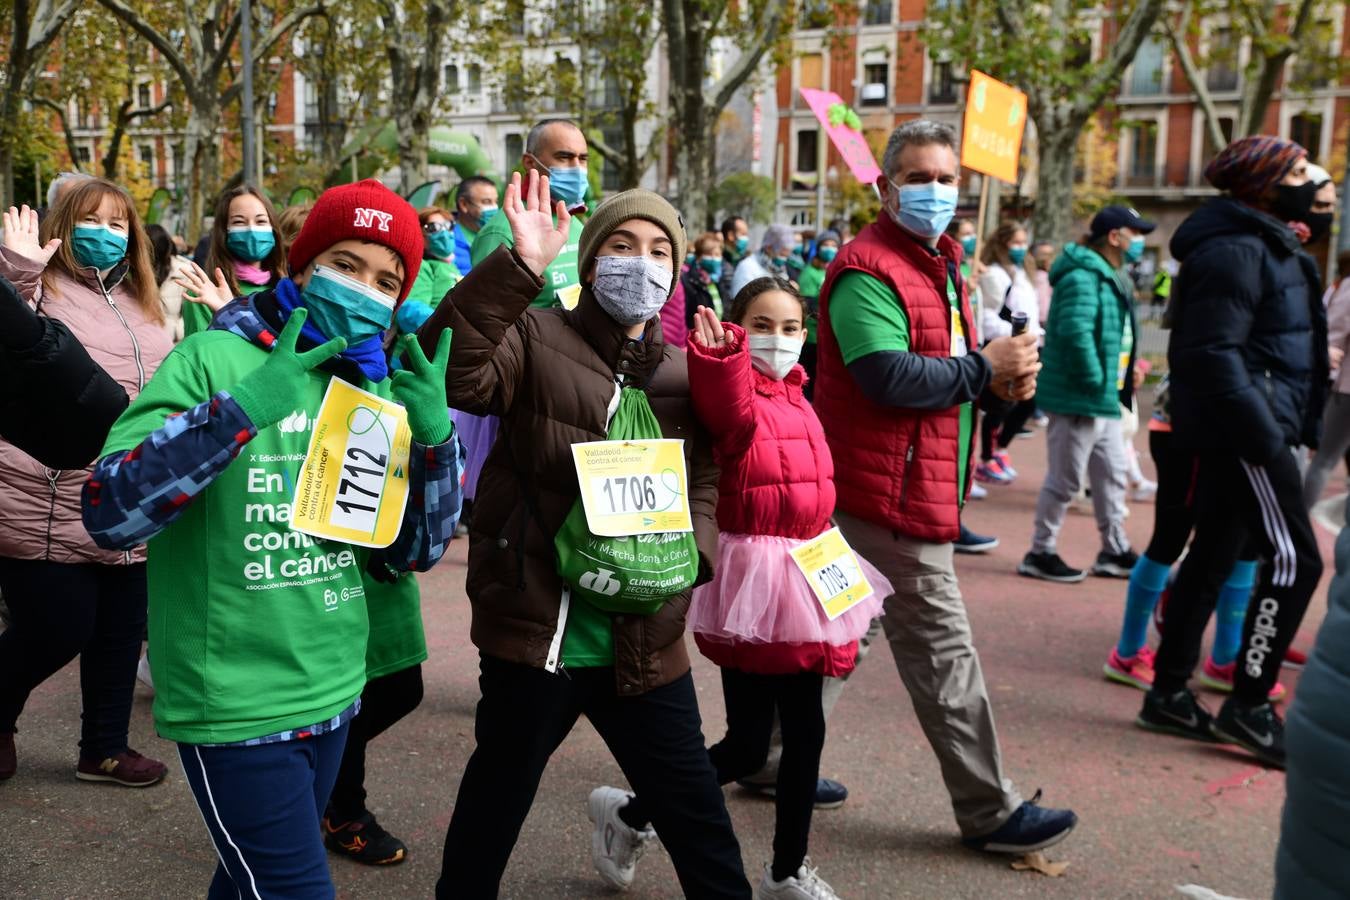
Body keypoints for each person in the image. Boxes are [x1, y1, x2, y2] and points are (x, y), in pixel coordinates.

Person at [82, 178, 462, 897]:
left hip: (334, 683)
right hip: (233, 698)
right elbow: (108, 509)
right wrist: (245, 409)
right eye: (345, 265)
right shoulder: (212, 360)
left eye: (387, 281)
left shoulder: (369, 390)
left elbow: (410, 553)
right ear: (303, 262)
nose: (364, 291)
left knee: (248, 878)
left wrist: (436, 442)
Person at [424, 173, 749, 898]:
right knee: (493, 808)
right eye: (622, 246)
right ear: (594, 261)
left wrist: (689, 552)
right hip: (538, 633)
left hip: (643, 635)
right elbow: (451, 369)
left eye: (659, 248)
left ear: (674, 270)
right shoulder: (538, 335)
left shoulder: (679, 373)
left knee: (698, 820)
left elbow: (707, 474)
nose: (641, 261)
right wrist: (520, 267)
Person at [814, 119, 1077, 853]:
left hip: (906, 489)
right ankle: (990, 810)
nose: (935, 190)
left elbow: (949, 376)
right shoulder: (866, 269)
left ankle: (774, 758)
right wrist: (982, 371)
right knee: (944, 654)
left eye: (945, 178)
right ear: (885, 185)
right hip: (887, 500)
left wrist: (998, 385)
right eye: (919, 178)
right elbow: (887, 375)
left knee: (842, 637)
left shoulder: (942, 266)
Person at [614, 281, 887, 900]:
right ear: (737, 326)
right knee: (746, 744)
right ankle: (636, 814)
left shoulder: (798, 395)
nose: (780, 338)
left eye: (792, 327)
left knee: (792, 734)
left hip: (810, 563)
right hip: (756, 585)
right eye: (761, 324)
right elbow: (725, 403)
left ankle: (786, 868)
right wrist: (722, 356)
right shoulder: (737, 394)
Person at [1138, 135, 1327, 768]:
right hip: (1248, 434)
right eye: (1299, 170)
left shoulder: (1265, 244)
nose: (1314, 178)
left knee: (1213, 556)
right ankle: (1247, 703)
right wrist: (1268, 433)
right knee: (1296, 561)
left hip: (1252, 428)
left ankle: (1168, 692)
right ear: (1265, 186)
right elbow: (1213, 353)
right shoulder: (1238, 249)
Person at [0, 183, 173, 786]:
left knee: (122, 631)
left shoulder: (144, 303)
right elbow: (10, 342)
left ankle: (104, 748)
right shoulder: (40, 284)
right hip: (42, 494)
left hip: (128, 494)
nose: (106, 232)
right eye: (91, 220)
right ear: (65, 225)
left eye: (119, 224)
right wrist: (19, 269)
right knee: (59, 625)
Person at [1018, 206, 1151, 583]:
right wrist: (1097, 379)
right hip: (1082, 396)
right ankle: (1039, 551)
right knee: (1065, 480)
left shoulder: (1108, 274)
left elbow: (1114, 334)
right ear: (1114, 236)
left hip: (1101, 396)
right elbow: (1076, 333)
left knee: (1111, 474)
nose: (1139, 240)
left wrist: (1125, 375)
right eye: (1134, 232)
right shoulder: (1083, 276)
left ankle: (1115, 549)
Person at [0, 272, 128, 470]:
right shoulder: (48, 283)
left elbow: (83, 437)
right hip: (23, 480)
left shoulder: (140, 294)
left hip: (92, 468)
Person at [472, 118, 587, 309]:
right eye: (564, 157)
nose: (577, 168)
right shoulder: (500, 233)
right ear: (530, 162)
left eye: (582, 159)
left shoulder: (572, 220)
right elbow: (485, 316)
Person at [974, 221, 1040, 487]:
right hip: (1003, 346)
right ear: (1002, 244)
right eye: (1015, 243)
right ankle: (987, 459)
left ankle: (998, 450)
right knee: (1000, 404)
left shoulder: (1021, 273)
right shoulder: (995, 275)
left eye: (1024, 242)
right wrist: (1015, 334)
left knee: (1026, 401)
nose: (1021, 248)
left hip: (1026, 345)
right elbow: (988, 316)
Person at [186, 185, 286, 336]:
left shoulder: (287, 287)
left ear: (273, 229)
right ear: (223, 232)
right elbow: (203, 353)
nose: (252, 230)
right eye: (239, 222)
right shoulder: (205, 290)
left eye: (260, 221)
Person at [1305, 248, 1350, 508]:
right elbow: (1332, 339)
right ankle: (1293, 527)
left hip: (1343, 388)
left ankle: (1292, 528)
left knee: (1323, 460)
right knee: (1323, 460)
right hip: (1342, 388)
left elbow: (1332, 336)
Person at [395, 206, 463, 337]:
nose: (444, 232)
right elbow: (410, 311)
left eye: (448, 225)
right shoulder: (421, 266)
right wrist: (451, 329)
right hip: (416, 352)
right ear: (419, 235)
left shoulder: (451, 266)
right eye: (434, 228)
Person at [796, 230, 839, 395]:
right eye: (826, 245)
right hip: (813, 336)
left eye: (833, 245)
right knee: (810, 382)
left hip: (827, 335)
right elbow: (808, 304)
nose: (829, 249)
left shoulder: (834, 269)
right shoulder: (809, 273)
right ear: (818, 248)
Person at [146, 222, 194, 342]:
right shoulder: (133, 272)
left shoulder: (185, 273)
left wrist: (172, 332)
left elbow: (193, 318)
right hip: (144, 343)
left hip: (173, 346)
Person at [451, 175, 499, 274]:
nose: (494, 207)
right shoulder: (445, 240)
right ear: (463, 204)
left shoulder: (499, 235)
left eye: (496, 202)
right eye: (487, 202)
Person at [732, 224, 795, 298]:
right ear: (768, 247)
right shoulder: (747, 268)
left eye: (786, 256)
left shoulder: (778, 269)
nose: (784, 259)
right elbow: (740, 301)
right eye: (781, 255)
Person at [720, 215, 750, 300]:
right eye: (743, 234)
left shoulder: (746, 261)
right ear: (730, 235)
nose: (746, 238)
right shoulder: (716, 261)